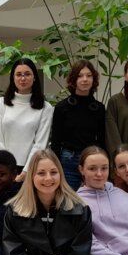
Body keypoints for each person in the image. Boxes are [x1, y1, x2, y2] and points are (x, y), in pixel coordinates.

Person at [0, 58, 53, 179]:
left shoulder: (45, 108)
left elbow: (40, 143)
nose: (23, 78)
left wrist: (25, 172)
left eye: (27, 74)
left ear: (34, 77)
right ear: (13, 78)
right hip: (4, 168)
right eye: (18, 74)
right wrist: (7, 168)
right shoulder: (0, 104)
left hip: (31, 169)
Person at [50, 60, 106, 189]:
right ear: (73, 79)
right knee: (70, 198)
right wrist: (55, 166)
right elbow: (55, 141)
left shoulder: (99, 108)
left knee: (94, 196)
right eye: (80, 76)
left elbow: (102, 140)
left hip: (92, 160)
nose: (85, 79)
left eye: (89, 75)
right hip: (68, 160)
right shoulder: (62, 107)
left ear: (94, 79)